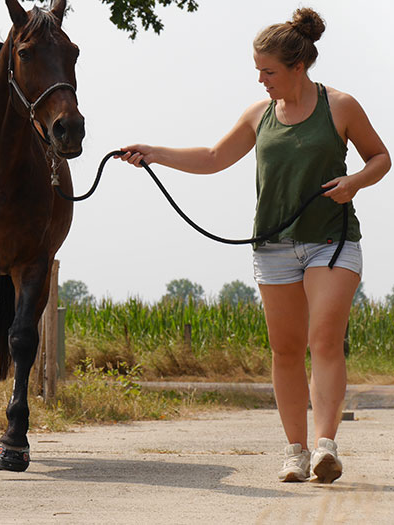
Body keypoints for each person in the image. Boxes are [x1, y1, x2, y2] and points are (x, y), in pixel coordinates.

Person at [118, 7, 390, 483]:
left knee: (324, 340)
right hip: (274, 246)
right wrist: (154, 153)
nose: (261, 79)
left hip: (331, 240)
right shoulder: (258, 114)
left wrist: (355, 183)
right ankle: (295, 452)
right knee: (285, 350)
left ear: (298, 68)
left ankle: (326, 446)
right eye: (258, 71)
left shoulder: (340, 106)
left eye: (269, 71)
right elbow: (213, 157)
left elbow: (380, 158)